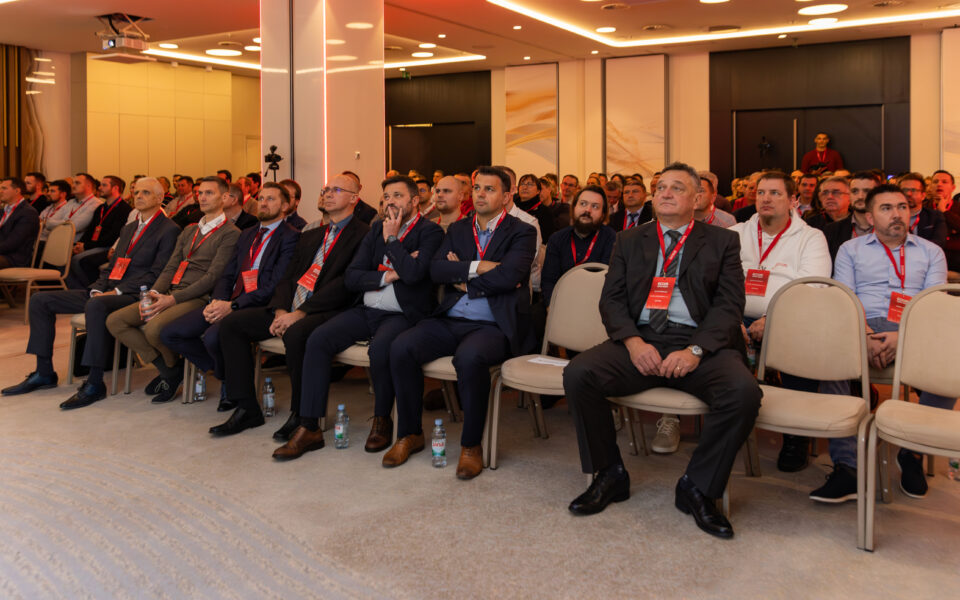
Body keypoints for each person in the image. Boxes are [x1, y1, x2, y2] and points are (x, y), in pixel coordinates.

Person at [562, 162, 760, 539]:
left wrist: (695, 350)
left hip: (699, 342)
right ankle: (609, 474)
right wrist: (633, 343)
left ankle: (698, 486)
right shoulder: (630, 239)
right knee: (579, 373)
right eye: (661, 187)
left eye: (677, 188)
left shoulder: (722, 241)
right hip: (642, 338)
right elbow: (612, 300)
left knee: (743, 393)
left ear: (697, 198)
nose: (665, 193)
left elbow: (730, 306)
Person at [273, 175, 444, 460]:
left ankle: (382, 419)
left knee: (380, 349)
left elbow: (415, 275)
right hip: (366, 309)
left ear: (415, 201)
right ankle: (309, 426)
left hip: (401, 314)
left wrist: (393, 240)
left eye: (398, 196)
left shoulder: (430, 232)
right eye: (386, 197)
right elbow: (353, 277)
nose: (390, 202)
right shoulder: (375, 229)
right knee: (318, 339)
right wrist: (390, 274)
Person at [384, 166, 537, 480]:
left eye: (489, 189)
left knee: (469, 358)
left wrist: (464, 278)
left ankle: (471, 445)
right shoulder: (458, 229)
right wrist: (480, 267)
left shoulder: (522, 231)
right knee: (401, 347)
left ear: (506, 196)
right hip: (451, 317)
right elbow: (436, 270)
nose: (480, 194)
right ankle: (410, 433)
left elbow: (510, 275)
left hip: (493, 326)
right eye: (477, 188)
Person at [814, 184, 951, 503]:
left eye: (902, 207)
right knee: (829, 359)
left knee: (949, 365)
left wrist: (903, 335)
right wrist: (863, 334)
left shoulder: (931, 252)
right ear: (869, 216)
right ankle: (847, 466)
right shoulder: (851, 249)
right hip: (861, 324)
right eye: (886, 208)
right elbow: (845, 297)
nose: (897, 214)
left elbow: (933, 304)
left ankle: (912, 451)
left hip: (914, 327)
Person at [213, 174, 369, 438]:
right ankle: (246, 407)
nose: (327, 194)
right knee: (232, 324)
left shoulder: (364, 234)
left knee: (297, 333)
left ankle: (300, 413)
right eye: (326, 189)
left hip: (327, 310)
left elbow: (346, 284)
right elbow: (288, 277)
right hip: (291, 308)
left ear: (354, 198)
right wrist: (280, 310)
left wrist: (300, 313)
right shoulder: (312, 235)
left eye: (336, 190)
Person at [3, 178, 180, 406]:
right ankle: (44, 372)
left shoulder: (169, 230)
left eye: (145, 192)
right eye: (136, 192)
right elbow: (112, 266)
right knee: (40, 300)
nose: (138, 196)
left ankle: (95, 383)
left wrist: (115, 292)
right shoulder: (129, 228)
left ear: (159, 197)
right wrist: (97, 288)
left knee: (96, 305)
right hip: (107, 292)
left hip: (135, 294)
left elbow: (157, 274)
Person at [159, 182, 298, 411]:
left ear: (285, 206)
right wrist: (218, 300)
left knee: (214, 337)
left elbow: (275, 285)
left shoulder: (291, 237)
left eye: (271, 199)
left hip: (258, 305)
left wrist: (233, 305)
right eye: (261, 198)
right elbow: (228, 274)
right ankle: (226, 375)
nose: (263, 203)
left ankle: (231, 384)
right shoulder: (247, 234)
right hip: (229, 300)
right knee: (170, 333)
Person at [106, 177, 241, 404]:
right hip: (170, 291)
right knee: (116, 321)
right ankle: (170, 369)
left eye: (209, 193)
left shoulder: (230, 233)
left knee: (154, 329)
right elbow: (170, 267)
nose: (202, 197)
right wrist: (155, 293)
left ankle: (173, 372)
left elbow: (212, 277)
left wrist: (172, 299)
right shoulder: (189, 230)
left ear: (225, 197)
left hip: (197, 296)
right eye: (200, 193)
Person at [730, 171, 831, 471]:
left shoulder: (810, 237)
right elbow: (715, 281)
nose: (766, 198)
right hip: (736, 315)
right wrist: (732, 317)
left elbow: (813, 286)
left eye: (775, 193)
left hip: (789, 316)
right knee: (713, 335)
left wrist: (771, 318)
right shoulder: (735, 233)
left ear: (793, 201)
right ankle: (726, 427)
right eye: (761, 192)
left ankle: (796, 436)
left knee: (801, 341)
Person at [541, 186, 615, 306]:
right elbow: (549, 281)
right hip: (562, 301)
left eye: (595, 206)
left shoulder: (611, 238)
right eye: (583, 204)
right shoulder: (557, 239)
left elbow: (609, 282)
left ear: (603, 214)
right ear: (574, 207)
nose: (587, 210)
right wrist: (552, 307)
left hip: (597, 303)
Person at [66, 175, 132, 289]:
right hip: (95, 245)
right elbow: (91, 230)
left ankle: (92, 289)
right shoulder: (101, 208)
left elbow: (113, 236)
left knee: (79, 260)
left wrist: (86, 246)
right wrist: (80, 244)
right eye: (100, 185)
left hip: (109, 247)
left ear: (115, 188)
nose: (100, 188)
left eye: (104, 185)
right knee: (66, 256)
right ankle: (77, 290)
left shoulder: (124, 210)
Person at [823, 171, 880, 261]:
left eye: (867, 191)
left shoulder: (889, 228)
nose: (860, 196)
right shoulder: (832, 231)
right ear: (849, 195)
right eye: (855, 191)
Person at [0, 177, 40, 268]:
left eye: (4, 188)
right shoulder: (3, 210)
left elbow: (13, 243)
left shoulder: (28, 212)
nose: (0, 191)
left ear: (17, 191)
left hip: (14, 258)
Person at [47, 173, 101, 242]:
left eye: (77, 183)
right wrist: (67, 222)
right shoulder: (70, 202)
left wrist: (63, 223)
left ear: (88, 186)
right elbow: (49, 223)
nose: (73, 186)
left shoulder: (96, 204)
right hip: (59, 241)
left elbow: (75, 227)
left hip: (75, 245)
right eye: (73, 183)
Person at [899, 173, 947, 249]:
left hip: (927, 255)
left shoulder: (934, 216)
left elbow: (939, 242)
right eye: (904, 190)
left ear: (923, 195)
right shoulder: (892, 217)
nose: (908, 194)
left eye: (913, 190)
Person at [516, 173, 556, 243]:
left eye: (530, 184)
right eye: (522, 184)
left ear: (538, 191)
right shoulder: (512, 207)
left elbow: (547, 239)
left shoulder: (545, 212)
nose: (525, 187)